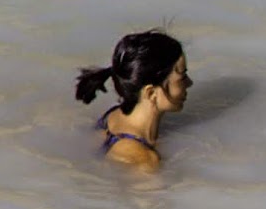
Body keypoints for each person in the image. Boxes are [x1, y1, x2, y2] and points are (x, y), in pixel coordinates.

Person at [76, 29, 190, 169]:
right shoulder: (145, 161)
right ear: (151, 92)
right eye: (182, 78)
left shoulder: (111, 117)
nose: (189, 83)